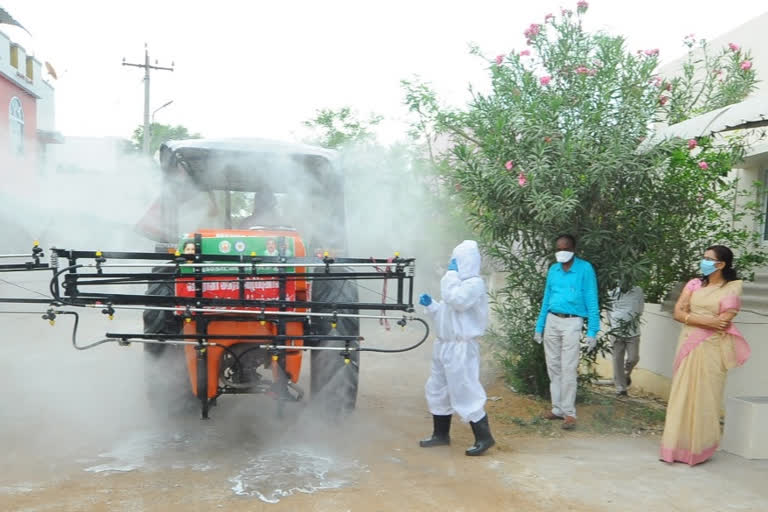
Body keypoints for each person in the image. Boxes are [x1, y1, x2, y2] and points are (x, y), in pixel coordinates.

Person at [660, 245, 750, 466]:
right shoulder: (694, 284)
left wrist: (693, 317)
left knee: (706, 395)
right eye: (704, 257)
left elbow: (725, 320)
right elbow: (678, 313)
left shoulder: (732, 287)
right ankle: (674, 447)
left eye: (709, 259)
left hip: (711, 348)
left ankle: (699, 449)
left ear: (721, 264)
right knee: (682, 393)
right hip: (688, 343)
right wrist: (706, 320)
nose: (704, 261)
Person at [418, 240, 495, 456]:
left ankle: (484, 437)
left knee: (465, 389)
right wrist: (432, 305)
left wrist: (449, 276)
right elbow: (449, 311)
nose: (452, 265)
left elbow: (458, 301)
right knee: (437, 389)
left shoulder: (474, 284)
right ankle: (440, 435)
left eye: (455, 261)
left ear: (466, 261)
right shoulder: (458, 284)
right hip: (444, 346)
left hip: (461, 348)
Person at [534, 234, 599, 430]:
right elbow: (546, 299)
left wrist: (593, 331)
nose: (561, 252)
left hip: (572, 321)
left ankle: (569, 413)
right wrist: (539, 326)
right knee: (553, 367)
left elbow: (591, 298)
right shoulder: (554, 269)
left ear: (573, 250)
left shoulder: (585, 269)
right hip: (553, 320)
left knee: (568, 368)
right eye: (558, 248)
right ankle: (557, 409)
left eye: (565, 248)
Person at [607, 285, 645, 397]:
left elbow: (640, 309)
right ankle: (621, 389)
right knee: (617, 360)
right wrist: (614, 325)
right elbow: (609, 311)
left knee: (633, 358)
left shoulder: (638, 290)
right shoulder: (612, 292)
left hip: (633, 331)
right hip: (616, 331)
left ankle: (626, 374)